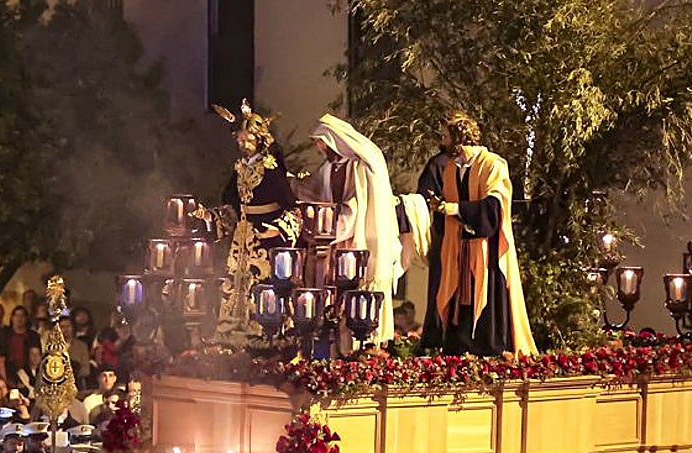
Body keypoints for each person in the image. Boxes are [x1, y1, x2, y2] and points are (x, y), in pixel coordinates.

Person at [417, 111, 536, 357]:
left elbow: (494, 208)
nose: (442, 140)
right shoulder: (451, 169)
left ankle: (490, 350)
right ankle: (459, 347)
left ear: (458, 138)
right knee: (458, 306)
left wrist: (454, 209)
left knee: (487, 306)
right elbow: (447, 213)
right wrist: (439, 209)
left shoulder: (493, 164)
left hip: (486, 251)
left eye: (445, 135)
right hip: (460, 251)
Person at [301, 113, 405, 345]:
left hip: (353, 242)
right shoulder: (327, 168)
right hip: (331, 243)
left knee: (356, 298)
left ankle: (359, 349)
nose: (318, 147)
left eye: (320, 141)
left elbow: (354, 207)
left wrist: (328, 232)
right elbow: (313, 193)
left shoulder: (357, 168)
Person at [212, 99, 300, 340]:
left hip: (266, 236)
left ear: (259, 139)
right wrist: (217, 216)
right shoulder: (240, 167)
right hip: (243, 233)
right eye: (239, 140)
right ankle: (231, 332)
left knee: (264, 283)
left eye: (247, 139)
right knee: (235, 283)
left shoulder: (270, 167)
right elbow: (229, 197)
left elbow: (291, 205)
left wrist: (277, 230)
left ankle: (266, 333)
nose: (243, 144)